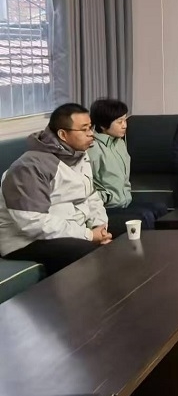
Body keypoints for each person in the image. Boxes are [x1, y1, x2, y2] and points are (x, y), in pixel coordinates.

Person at [0, 103, 111, 275]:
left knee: (124, 235)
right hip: (26, 241)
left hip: (72, 228)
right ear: (63, 135)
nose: (91, 134)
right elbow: (32, 222)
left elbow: (90, 195)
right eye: (84, 129)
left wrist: (100, 226)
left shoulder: (79, 155)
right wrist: (88, 235)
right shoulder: (29, 168)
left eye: (91, 127)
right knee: (89, 253)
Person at [88, 98, 168, 237]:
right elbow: (86, 187)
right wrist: (107, 197)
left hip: (125, 202)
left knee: (160, 208)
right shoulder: (92, 149)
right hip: (107, 208)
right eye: (119, 122)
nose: (124, 125)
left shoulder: (119, 142)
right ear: (103, 125)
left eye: (125, 120)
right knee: (145, 216)